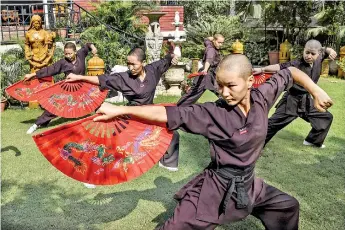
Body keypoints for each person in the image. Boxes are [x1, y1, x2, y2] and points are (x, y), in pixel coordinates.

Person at [90, 54, 333, 229]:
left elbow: (290, 72)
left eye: (231, 86)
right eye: (220, 86)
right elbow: (168, 113)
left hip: (248, 185)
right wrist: (122, 111)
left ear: (250, 82)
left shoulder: (262, 97)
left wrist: (316, 90)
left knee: (287, 207)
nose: (224, 93)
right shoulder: (214, 113)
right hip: (216, 189)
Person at [66, 47, 180, 172]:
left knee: (172, 133)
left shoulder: (153, 70)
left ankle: (167, 163)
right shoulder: (124, 78)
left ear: (143, 63)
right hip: (131, 116)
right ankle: (94, 169)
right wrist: (79, 77)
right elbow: (102, 79)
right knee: (114, 143)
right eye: (128, 64)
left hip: (150, 113)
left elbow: (165, 60)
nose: (130, 68)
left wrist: (173, 55)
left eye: (134, 64)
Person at [253, 39, 337, 148]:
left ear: (318, 54)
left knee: (325, 117)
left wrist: (331, 51)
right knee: (272, 124)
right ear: (303, 51)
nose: (309, 56)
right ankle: (254, 145)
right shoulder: (295, 63)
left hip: (306, 101)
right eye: (307, 52)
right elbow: (279, 67)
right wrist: (262, 69)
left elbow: (325, 50)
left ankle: (312, 141)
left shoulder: (319, 59)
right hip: (291, 101)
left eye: (312, 54)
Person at [24, 42, 98, 135]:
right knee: (56, 107)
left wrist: (93, 47)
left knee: (95, 97)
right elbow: (49, 70)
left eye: (70, 53)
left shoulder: (81, 54)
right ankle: (37, 124)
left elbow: (88, 45)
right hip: (69, 88)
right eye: (66, 54)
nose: (68, 56)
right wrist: (33, 74)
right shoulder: (63, 62)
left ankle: (102, 116)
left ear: (75, 52)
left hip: (82, 87)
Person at [177, 34, 224, 106]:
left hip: (211, 74)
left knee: (220, 90)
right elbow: (209, 59)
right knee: (194, 93)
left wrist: (212, 38)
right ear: (214, 41)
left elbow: (206, 39)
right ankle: (179, 106)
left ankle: (227, 106)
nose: (221, 44)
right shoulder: (211, 50)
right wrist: (205, 69)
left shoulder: (209, 45)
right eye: (219, 42)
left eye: (222, 43)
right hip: (206, 74)